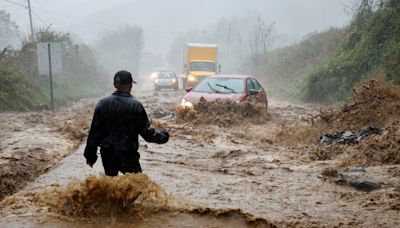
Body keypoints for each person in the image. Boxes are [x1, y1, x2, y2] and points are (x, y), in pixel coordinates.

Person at [84, 70, 169, 176]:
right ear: (130, 85)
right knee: (136, 186)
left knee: (111, 186)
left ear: (115, 84)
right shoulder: (136, 106)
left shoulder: (102, 104)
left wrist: (90, 154)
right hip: (128, 155)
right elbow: (147, 134)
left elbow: (94, 132)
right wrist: (163, 135)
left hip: (108, 155)